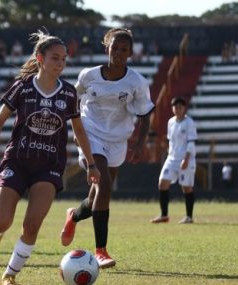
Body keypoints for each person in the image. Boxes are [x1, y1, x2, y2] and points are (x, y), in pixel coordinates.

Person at [0, 30, 100, 285]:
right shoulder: (23, 87)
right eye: (55, 58)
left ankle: (10, 275)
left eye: (64, 59)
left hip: (49, 166)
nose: (61, 63)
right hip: (17, 161)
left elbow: (79, 131)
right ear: (40, 58)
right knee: (2, 221)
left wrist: (91, 164)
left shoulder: (68, 93)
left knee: (32, 225)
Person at [60, 28, 154, 269]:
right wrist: (75, 131)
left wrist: (140, 143)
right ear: (107, 49)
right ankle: (100, 251)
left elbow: (145, 116)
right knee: (104, 185)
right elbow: (72, 99)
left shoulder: (137, 82)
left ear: (131, 53)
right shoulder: (88, 76)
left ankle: (74, 216)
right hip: (90, 135)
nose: (119, 53)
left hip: (117, 140)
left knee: (95, 199)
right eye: (115, 48)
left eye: (124, 49)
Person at [151, 96, 197, 224]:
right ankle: (164, 215)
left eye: (180, 107)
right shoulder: (170, 122)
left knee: (186, 187)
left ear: (184, 108)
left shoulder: (189, 123)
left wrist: (186, 159)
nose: (177, 109)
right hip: (172, 158)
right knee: (162, 183)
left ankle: (189, 216)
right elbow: (171, 141)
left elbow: (191, 142)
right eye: (175, 107)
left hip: (185, 158)